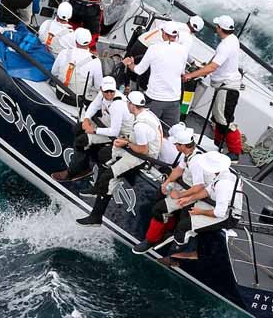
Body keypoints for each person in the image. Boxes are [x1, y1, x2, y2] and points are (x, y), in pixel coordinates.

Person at [76, 91, 163, 226]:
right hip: (138, 150)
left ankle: (96, 217)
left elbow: (143, 150)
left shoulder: (140, 125)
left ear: (132, 105)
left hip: (142, 157)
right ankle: (97, 189)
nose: (126, 104)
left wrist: (126, 143)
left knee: (109, 177)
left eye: (128, 102)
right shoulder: (147, 115)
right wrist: (126, 141)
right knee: (104, 154)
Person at [132, 127, 217, 254]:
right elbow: (179, 170)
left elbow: (199, 186)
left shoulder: (196, 162)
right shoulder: (190, 154)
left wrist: (180, 194)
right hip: (188, 188)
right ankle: (168, 224)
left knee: (158, 209)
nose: (175, 146)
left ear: (183, 145)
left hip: (197, 195)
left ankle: (151, 240)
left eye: (176, 144)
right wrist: (166, 183)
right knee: (159, 196)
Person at [182, 15, 242, 162]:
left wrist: (192, 75)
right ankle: (218, 143)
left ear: (220, 29)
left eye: (217, 26)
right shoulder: (232, 39)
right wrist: (203, 67)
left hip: (226, 87)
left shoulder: (225, 45)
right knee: (216, 117)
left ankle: (235, 152)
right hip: (224, 86)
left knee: (224, 119)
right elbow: (215, 59)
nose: (216, 28)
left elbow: (213, 67)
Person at [51, 76, 133, 182]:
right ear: (101, 89)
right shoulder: (102, 94)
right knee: (78, 128)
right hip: (107, 125)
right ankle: (87, 159)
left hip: (119, 134)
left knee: (81, 141)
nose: (109, 94)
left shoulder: (117, 105)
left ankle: (74, 171)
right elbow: (94, 105)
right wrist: (86, 119)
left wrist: (94, 130)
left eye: (111, 91)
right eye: (106, 91)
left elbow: (114, 131)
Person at [170, 151, 242, 260]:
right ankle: (190, 242)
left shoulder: (223, 184)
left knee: (183, 226)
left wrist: (199, 212)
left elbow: (219, 213)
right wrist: (188, 199)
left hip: (228, 216)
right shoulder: (225, 173)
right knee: (186, 210)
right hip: (219, 206)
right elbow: (207, 191)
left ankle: (178, 252)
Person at [122, 21, 189, 132]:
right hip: (174, 100)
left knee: (146, 129)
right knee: (169, 133)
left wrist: (130, 64)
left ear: (164, 33)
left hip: (154, 98)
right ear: (176, 36)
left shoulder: (154, 48)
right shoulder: (183, 50)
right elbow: (181, 71)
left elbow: (139, 71)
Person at [51, 28, 103, 104]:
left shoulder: (64, 52)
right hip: (78, 101)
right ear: (90, 42)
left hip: (59, 94)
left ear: (75, 41)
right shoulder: (95, 61)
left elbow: (54, 72)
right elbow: (98, 86)